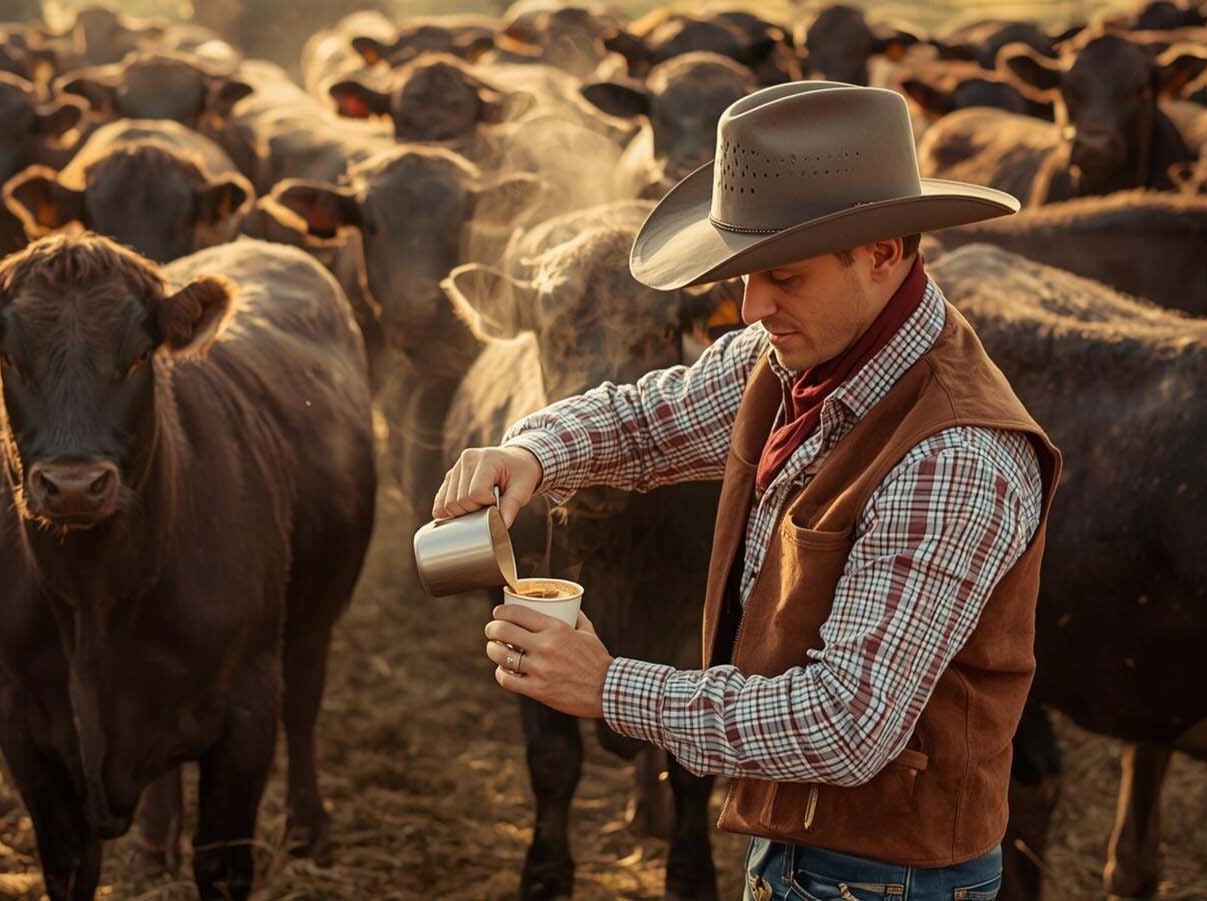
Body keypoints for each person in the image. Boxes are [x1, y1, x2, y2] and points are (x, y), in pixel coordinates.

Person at [433, 82, 1063, 898]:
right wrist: (532, 451)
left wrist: (608, 685)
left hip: (888, 878)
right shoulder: (802, 355)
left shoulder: (955, 455)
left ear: (883, 251)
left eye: (784, 278)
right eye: (743, 276)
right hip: (805, 850)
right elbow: (648, 418)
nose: (751, 306)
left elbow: (846, 723)